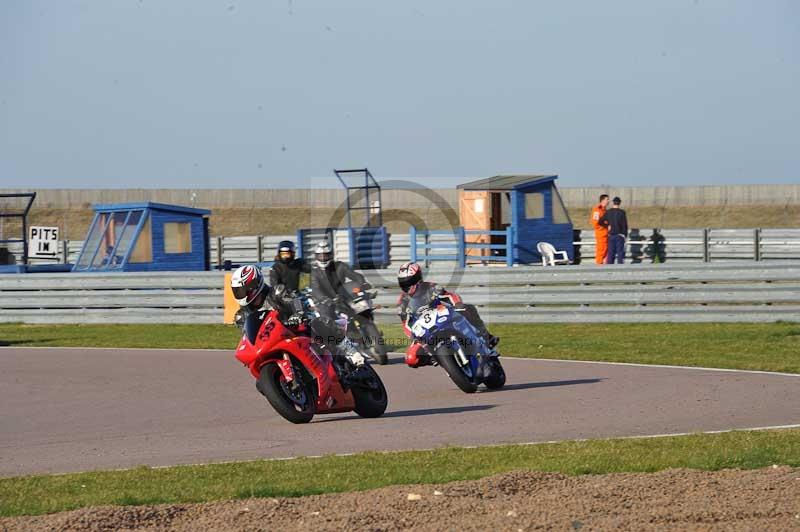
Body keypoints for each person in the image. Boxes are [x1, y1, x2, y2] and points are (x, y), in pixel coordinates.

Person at [230, 264, 363, 365]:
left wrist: (298, 314)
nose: (241, 294)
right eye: (237, 291)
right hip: (272, 342)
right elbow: (248, 336)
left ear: (253, 285)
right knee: (261, 384)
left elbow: (294, 301)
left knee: (317, 322)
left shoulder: (276, 292)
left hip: (295, 328)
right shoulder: (242, 316)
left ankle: (349, 350)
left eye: (242, 290)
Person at [396, 262, 498, 368]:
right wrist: (413, 336)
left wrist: (458, 305)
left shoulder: (431, 287)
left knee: (469, 308)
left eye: (410, 282)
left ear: (418, 278)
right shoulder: (402, 302)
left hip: (443, 318)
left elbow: (449, 296)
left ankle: (486, 337)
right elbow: (406, 324)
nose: (408, 286)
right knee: (411, 359)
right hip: (424, 331)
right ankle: (437, 358)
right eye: (404, 284)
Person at [309, 240, 372, 318]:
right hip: (326, 301)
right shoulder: (315, 272)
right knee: (326, 319)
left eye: (326, 256)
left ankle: (367, 322)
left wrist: (362, 283)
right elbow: (315, 287)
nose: (323, 258)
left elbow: (355, 275)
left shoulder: (340, 266)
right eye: (320, 256)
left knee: (363, 309)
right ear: (316, 256)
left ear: (331, 255)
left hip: (343, 297)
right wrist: (323, 299)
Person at [600, 196, 629, 264]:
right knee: (620, 253)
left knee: (610, 253)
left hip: (611, 235)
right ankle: (620, 268)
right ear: (619, 203)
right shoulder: (622, 212)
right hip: (620, 235)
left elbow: (600, 221)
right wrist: (625, 235)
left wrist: (607, 225)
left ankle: (610, 269)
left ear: (613, 203)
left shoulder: (608, 212)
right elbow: (624, 225)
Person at [590, 194, 610, 265]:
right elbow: (595, 223)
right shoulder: (597, 210)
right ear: (603, 200)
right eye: (607, 199)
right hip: (601, 234)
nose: (608, 201)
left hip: (606, 233)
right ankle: (599, 264)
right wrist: (604, 226)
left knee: (606, 250)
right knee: (601, 250)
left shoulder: (605, 210)